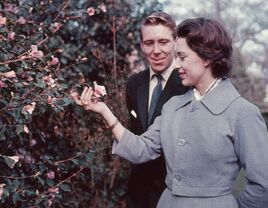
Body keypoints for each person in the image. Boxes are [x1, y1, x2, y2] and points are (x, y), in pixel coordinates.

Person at [75, 17, 268, 208]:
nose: (175, 65)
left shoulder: (243, 113)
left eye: (182, 57)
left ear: (207, 58)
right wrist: (103, 110)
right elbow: (141, 149)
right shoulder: (173, 106)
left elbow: (262, 186)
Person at [125, 11, 188, 208]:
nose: (156, 50)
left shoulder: (189, 83)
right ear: (142, 45)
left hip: (175, 193)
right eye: (149, 43)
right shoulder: (134, 84)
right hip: (138, 194)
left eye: (163, 42)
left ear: (175, 42)